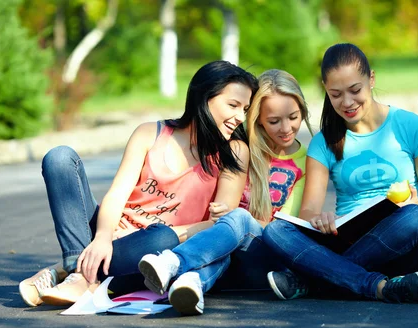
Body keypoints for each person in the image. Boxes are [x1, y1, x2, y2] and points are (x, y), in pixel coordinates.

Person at [18, 61, 258, 307]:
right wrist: (102, 237)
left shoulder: (234, 151)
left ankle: (69, 273)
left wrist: (138, 234)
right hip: (107, 234)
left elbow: (219, 224)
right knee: (59, 158)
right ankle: (79, 273)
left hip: (152, 252)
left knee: (161, 238)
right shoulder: (150, 133)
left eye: (245, 109)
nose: (240, 117)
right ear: (204, 97)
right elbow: (116, 195)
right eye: (233, 105)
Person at [262, 43, 418, 304]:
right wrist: (320, 219)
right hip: (347, 239)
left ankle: (316, 282)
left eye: (355, 90)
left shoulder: (412, 127)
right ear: (326, 90)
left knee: (416, 218)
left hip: (401, 245)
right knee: (275, 231)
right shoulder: (324, 142)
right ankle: (378, 286)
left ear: (371, 79)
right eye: (335, 94)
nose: (347, 103)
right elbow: (308, 213)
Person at [136, 69, 313, 315]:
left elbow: (285, 228)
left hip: (264, 254)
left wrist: (230, 219)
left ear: (303, 112)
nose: (286, 128)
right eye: (274, 121)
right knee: (226, 231)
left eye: (293, 117)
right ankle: (191, 284)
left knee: (238, 219)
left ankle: (173, 262)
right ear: (257, 119)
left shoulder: (308, 161)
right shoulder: (239, 148)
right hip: (218, 248)